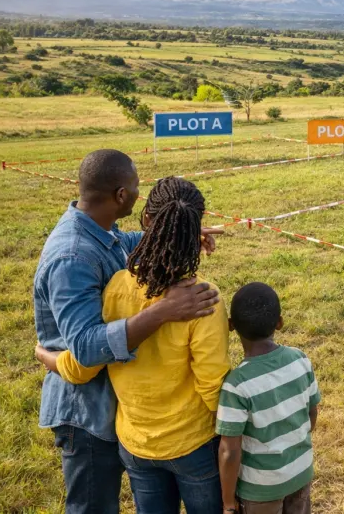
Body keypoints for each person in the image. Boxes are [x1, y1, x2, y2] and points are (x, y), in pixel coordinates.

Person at [34, 149, 221, 514]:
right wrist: (163, 311)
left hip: (123, 410)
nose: (139, 192)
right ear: (122, 195)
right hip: (85, 414)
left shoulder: (100, 231)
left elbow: (126, 244)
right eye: (136, 186)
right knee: (94, 508)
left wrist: (178, 230)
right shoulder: (72, 257)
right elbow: (87, 348)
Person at [216, 282, 321, 514]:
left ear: (231, 326)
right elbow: (312, 414)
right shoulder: (300, 359)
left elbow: (229, 451)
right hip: (300, 472)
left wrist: (228, 502)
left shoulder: (236, 385)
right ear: (280, 323)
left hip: (260, 489)